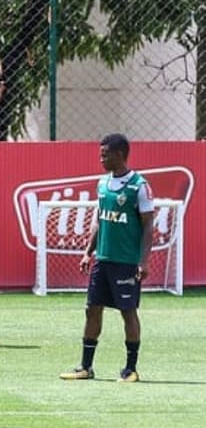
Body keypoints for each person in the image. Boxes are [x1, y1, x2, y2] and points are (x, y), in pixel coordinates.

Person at [60, 133, 154, 383]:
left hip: (126, 262)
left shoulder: (139, 186)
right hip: (103, 259)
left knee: (127, 311)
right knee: (92, 309)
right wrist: (87, 252)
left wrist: (143, 261)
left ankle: (130, 369)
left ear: (119, 155)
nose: (100, 158)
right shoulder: (102, 184)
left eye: (105, 154)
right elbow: (98, 221)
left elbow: (148, 226)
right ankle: (85, 367)